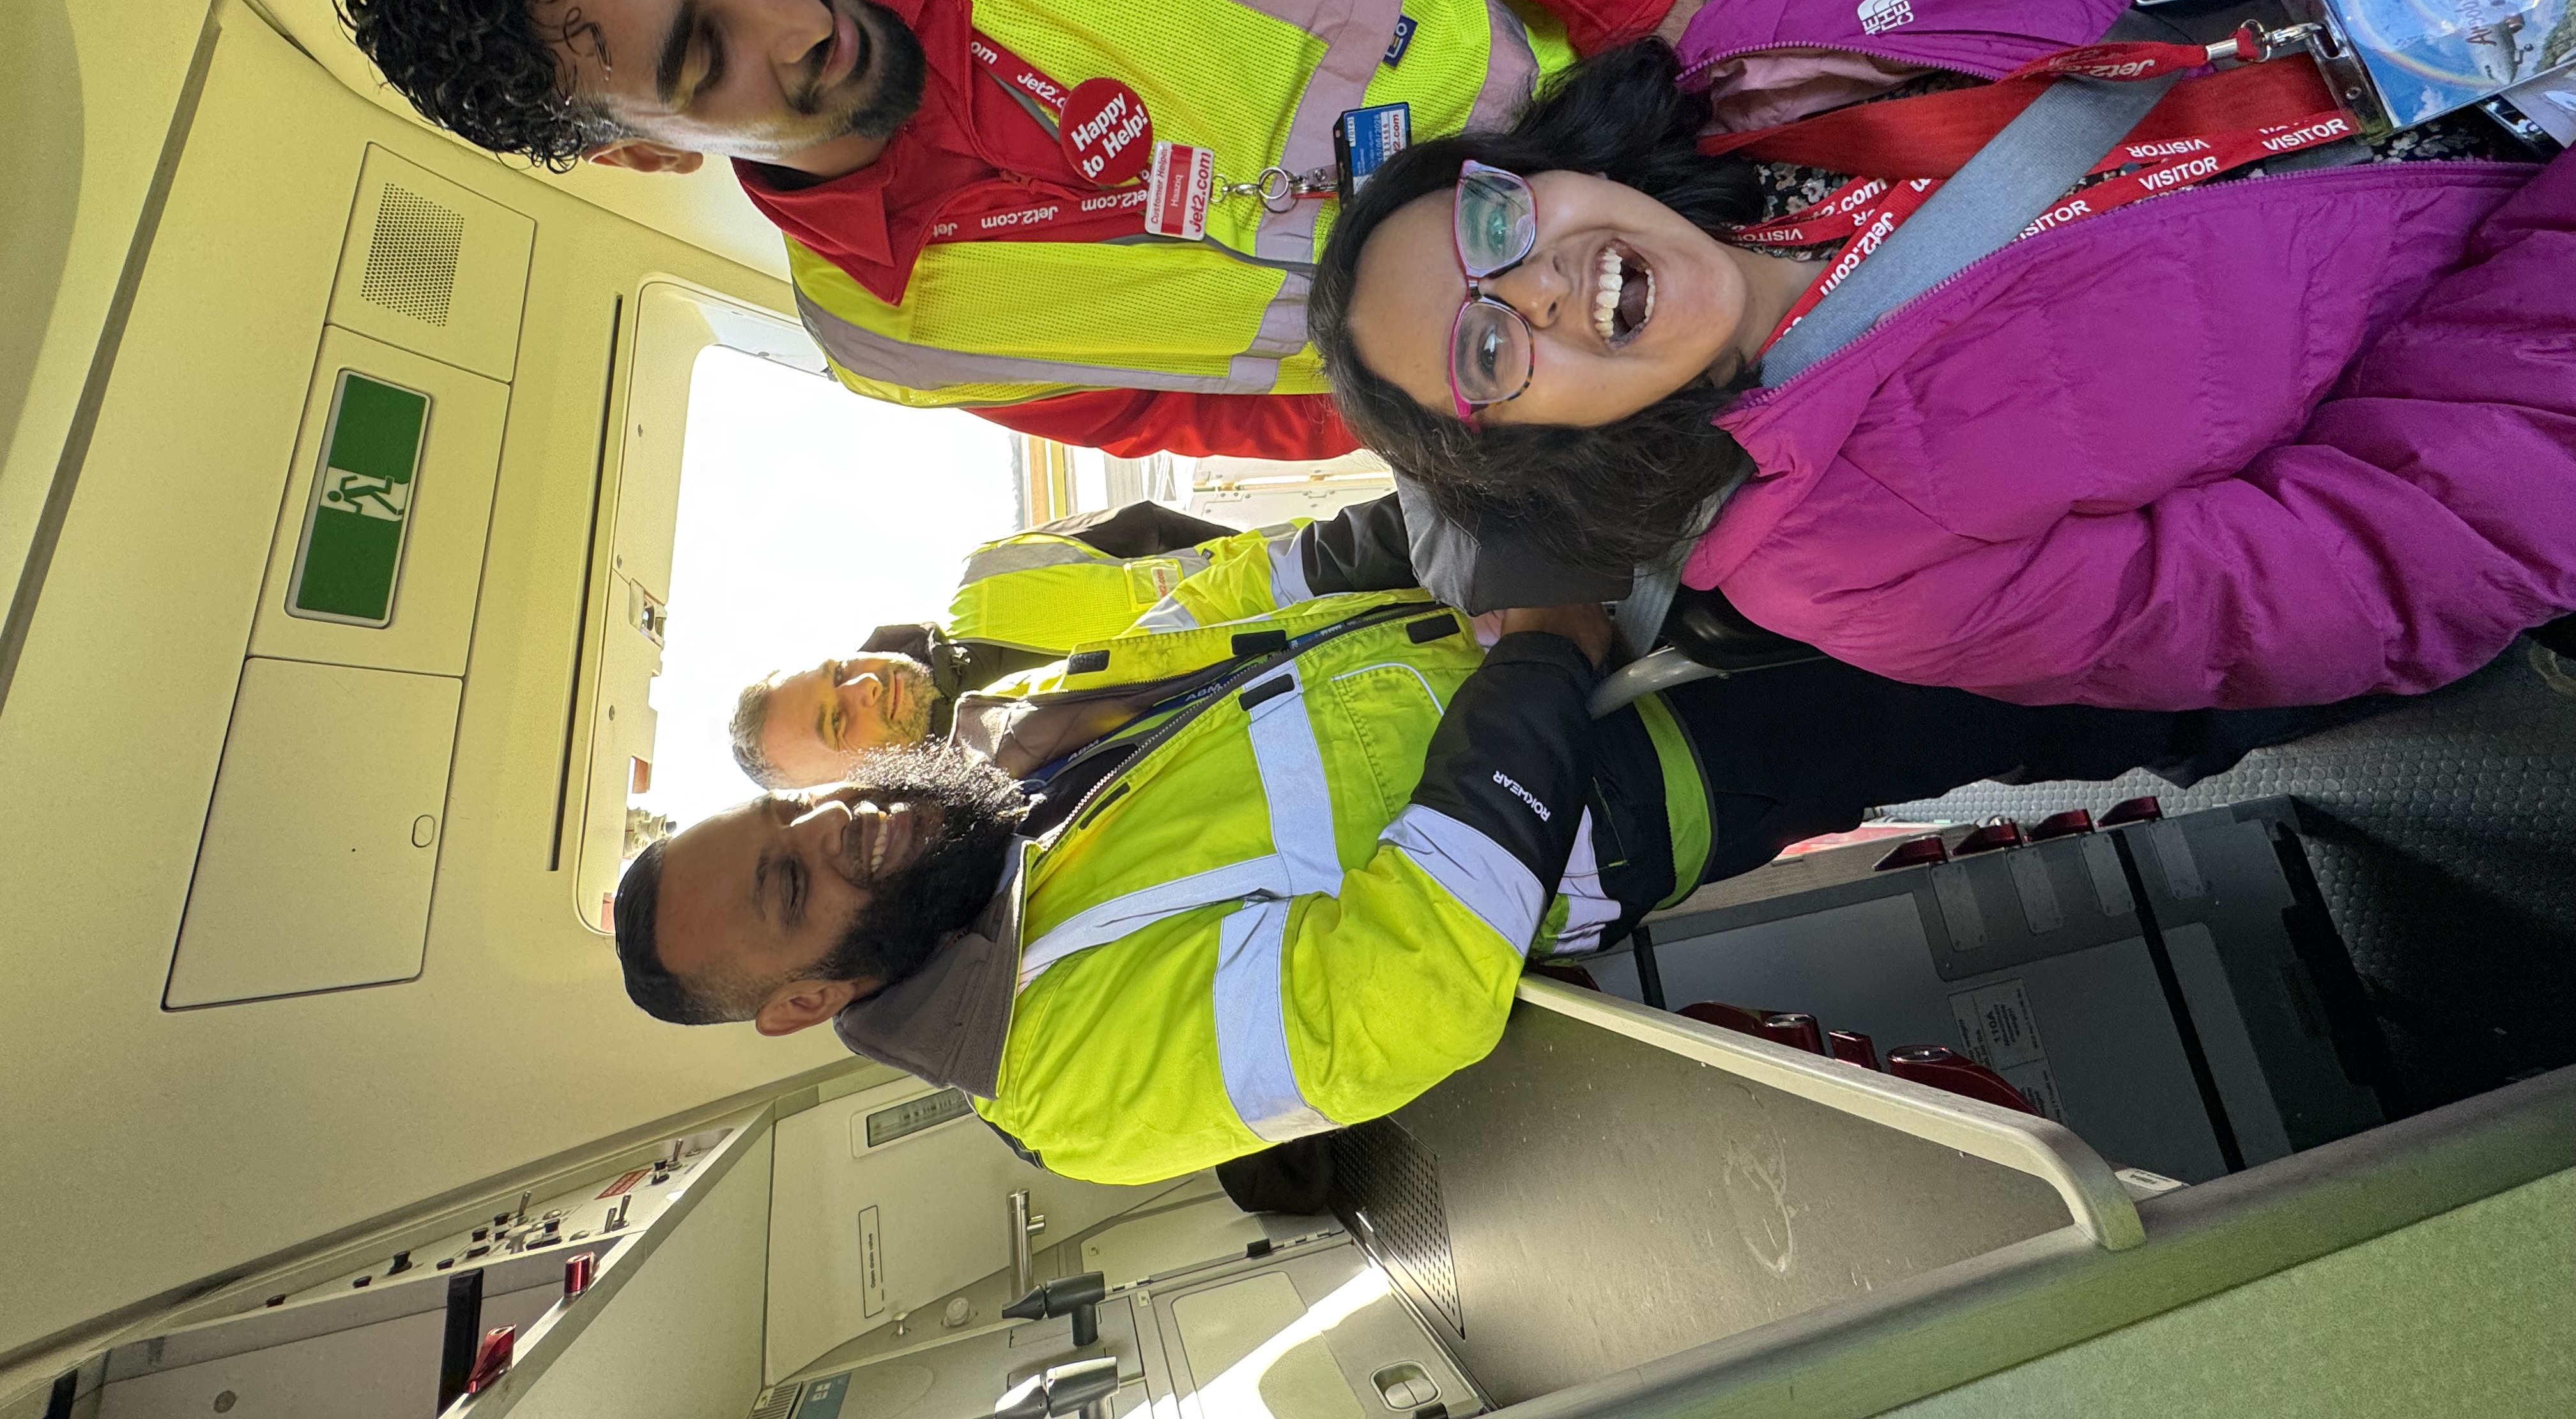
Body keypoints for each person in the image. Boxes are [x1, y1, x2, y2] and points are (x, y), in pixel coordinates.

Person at [611, 494, 2387, 1185]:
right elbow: (1408, 991)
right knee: (2037, 694)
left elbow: (1253, 606)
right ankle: (2402, 621)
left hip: (1556, 627)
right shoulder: (1062, 1076)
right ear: (802, 1003)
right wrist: (1538, 665)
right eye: (793, 880)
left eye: (795, 811)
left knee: (1982, 548)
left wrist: (1452, 512)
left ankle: (2333, 523)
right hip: (1620, 776)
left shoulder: (1012, 793)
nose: (838, 820)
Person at [1308, 0, 2576, 712]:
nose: (1533, 288)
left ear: (1541, 169)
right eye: (1486, 353)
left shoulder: (1765, 44)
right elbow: (2385, 555)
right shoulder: (1846, 569)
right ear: (1545, 451)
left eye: (1494, 225)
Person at [312, 0, 1695, 464]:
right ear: (642, 153)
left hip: (1636, 101)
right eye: (701, 56)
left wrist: (1652, 25)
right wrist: (1482, 419)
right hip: (1551, 382)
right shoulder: (886, 343)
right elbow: (1216, 414)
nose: (793, 14)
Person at [730, 500, 1286, 788]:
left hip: (1332, 574)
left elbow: (1153, 527)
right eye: (837, 721)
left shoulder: (988, 573)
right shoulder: (994, 819)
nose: (866, 684)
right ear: (847, 786)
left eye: (838, 672)